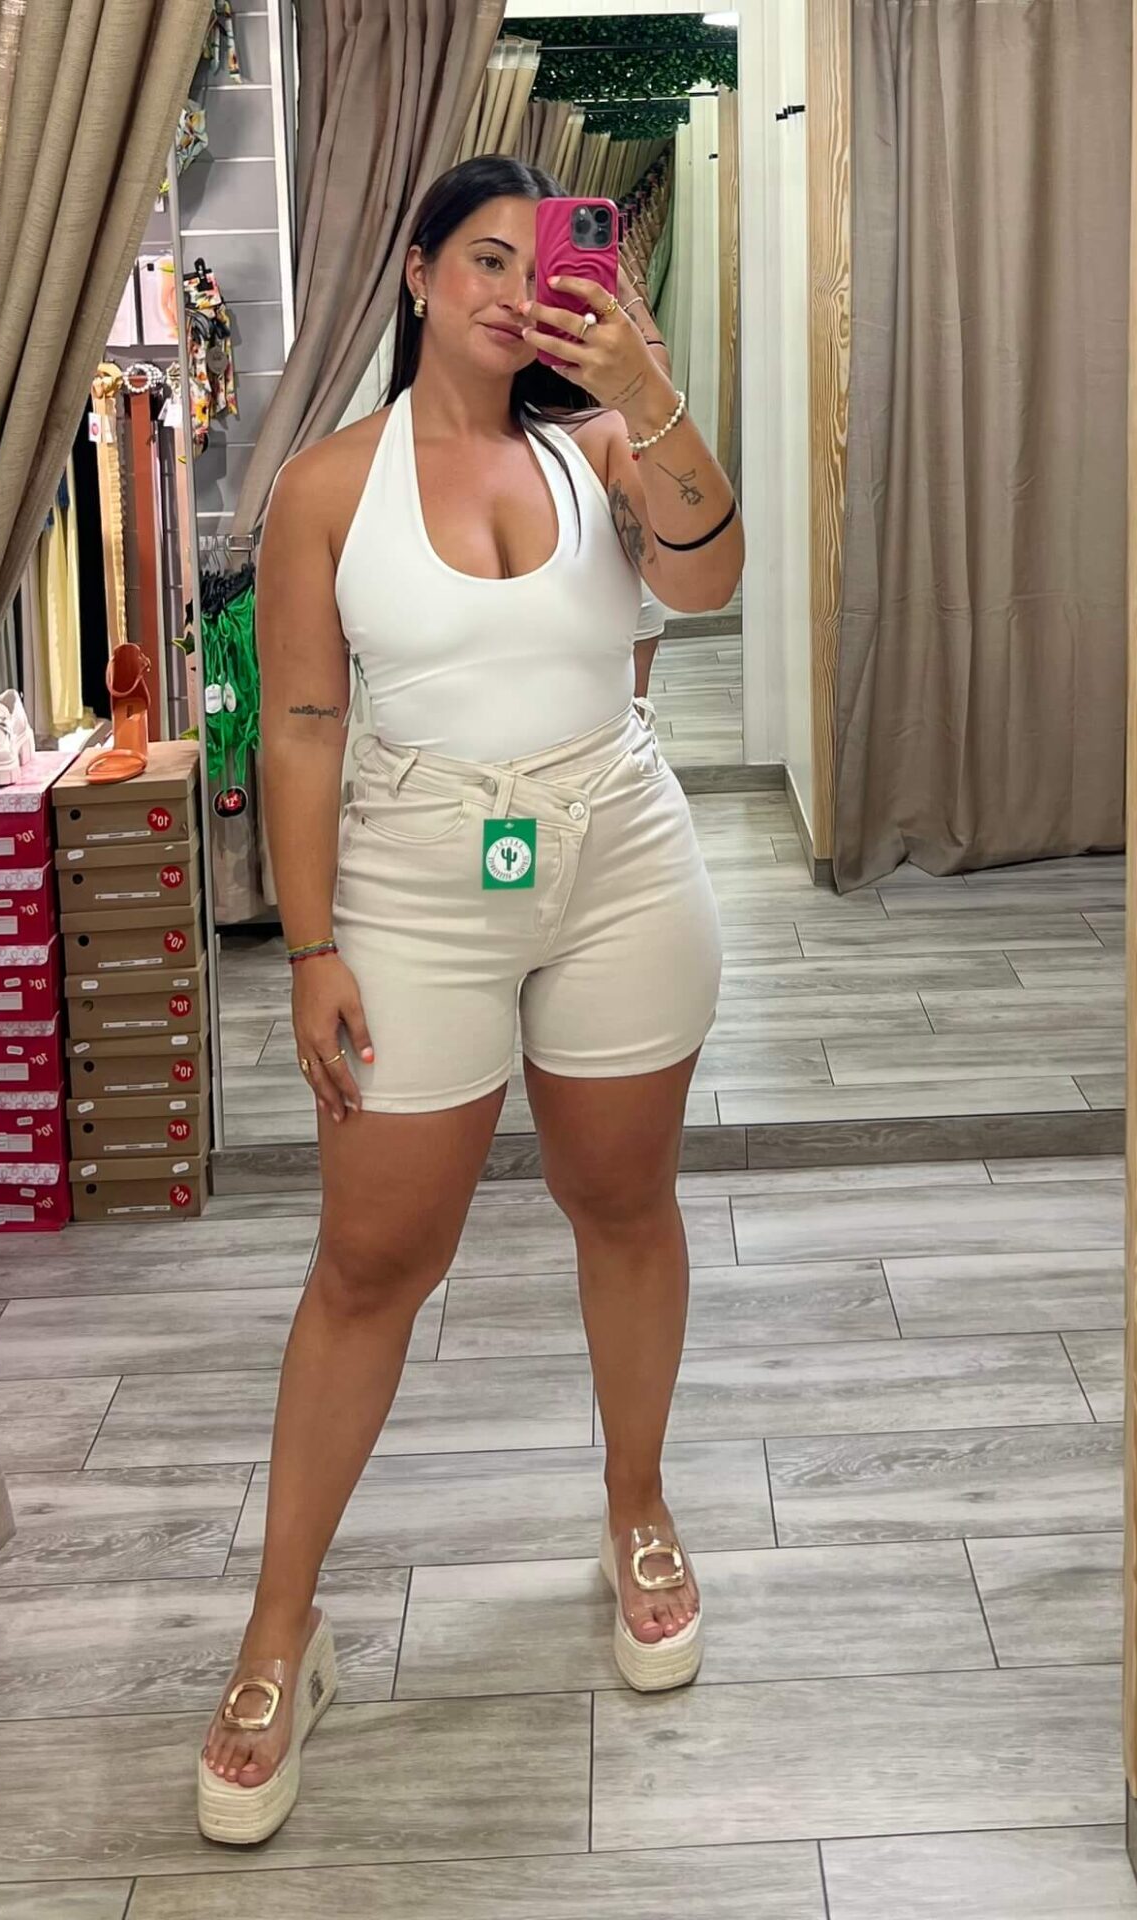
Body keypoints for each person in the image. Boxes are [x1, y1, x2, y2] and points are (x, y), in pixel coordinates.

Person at [198, 154, 743, 1846]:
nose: (517, 291)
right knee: (372, 1262)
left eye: (549, 262)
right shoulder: (326, 488)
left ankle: (636, 1508)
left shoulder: (604, 450)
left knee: (624, 1202)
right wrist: (311, 949)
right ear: (420, 274)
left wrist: (649, 391)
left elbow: (709, 578)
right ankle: (281, 1630)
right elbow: (303, 724)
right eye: (485, 259)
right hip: (417, 882)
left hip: (620, 854)